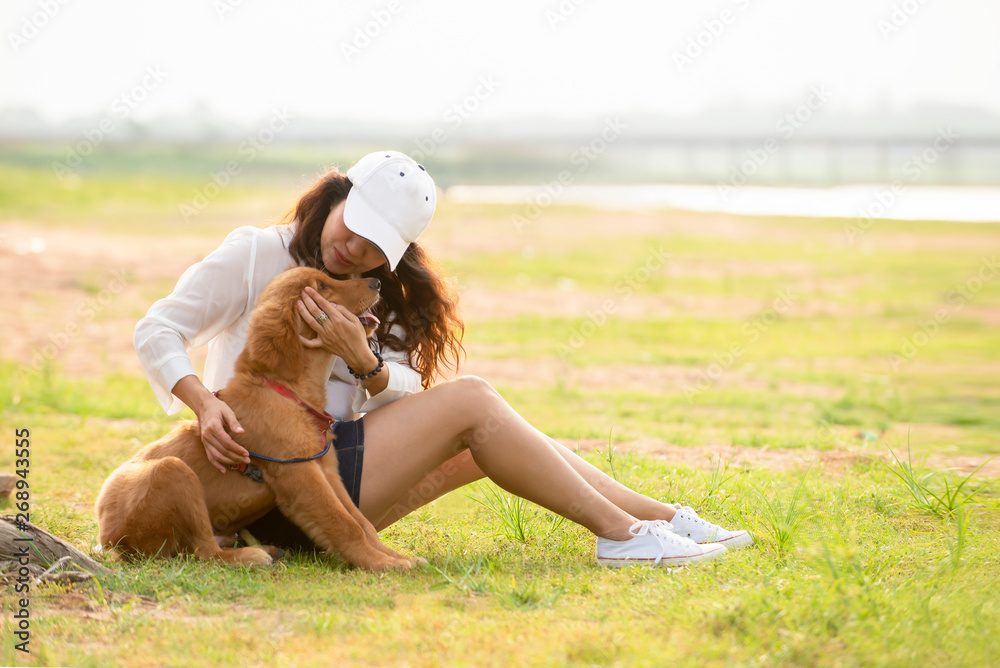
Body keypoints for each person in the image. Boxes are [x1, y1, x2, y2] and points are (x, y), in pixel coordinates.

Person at [134, 150, 752, 567]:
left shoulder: (379, 291)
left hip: (339, 463)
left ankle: (661, 520)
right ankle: (623, 536)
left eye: (377, 245)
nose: (353, 249)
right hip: (267, 475)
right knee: (476, 402)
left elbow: (402, 391)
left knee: (493, 435)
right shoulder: (254, 255)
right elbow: (158, 328)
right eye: (353, 227)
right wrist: (204, 404)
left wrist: (365, 361)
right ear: (337, 195)